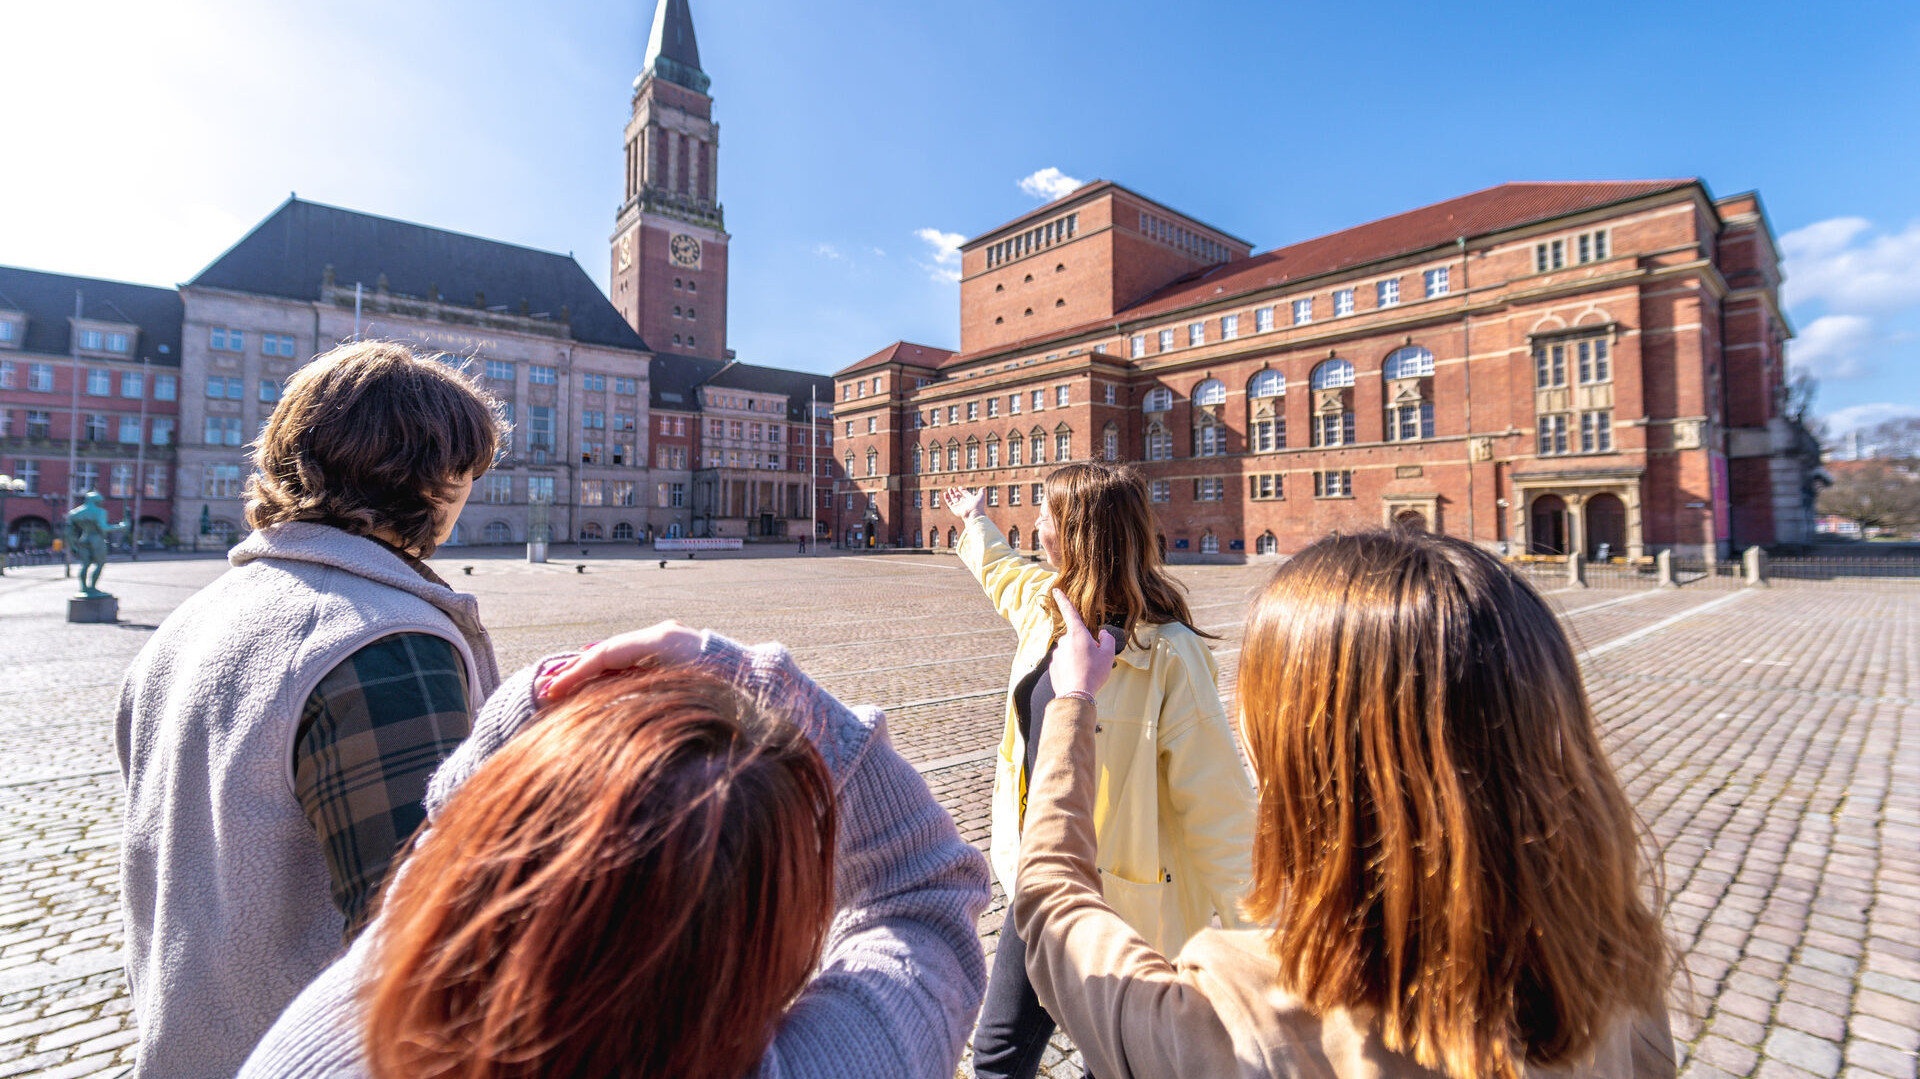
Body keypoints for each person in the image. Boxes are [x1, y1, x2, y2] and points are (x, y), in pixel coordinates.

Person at [1016, 530, 1677, 1079]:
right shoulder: (1616, 980)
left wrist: (1074, 699)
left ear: (1310, 768)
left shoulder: (1236, 1011)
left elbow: (1052, 899)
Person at [240, 620, 992, 1079]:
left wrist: (554, 693)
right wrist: (746, 673)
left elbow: (449, 822)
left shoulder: (357, 1010)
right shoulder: (827, 1067)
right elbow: (921, 898)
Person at [115, 340, 508, 1078]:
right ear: (432, 475)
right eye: (466, 468)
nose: (467, 488)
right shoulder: (385, 640)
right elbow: (435, 956)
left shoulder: (183, 626)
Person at [946, 462, 1255, 1079]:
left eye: (1046, 515)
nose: (1034, 525)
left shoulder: (1169, 652)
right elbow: (1001, 574)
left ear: (1081, 532)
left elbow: (1220, 810)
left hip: (1127, 906)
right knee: (998, 1054)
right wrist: (974, 520)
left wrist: (1267, 941)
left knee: (1117, 1066)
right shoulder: (1048, 609)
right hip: (1040, 876)